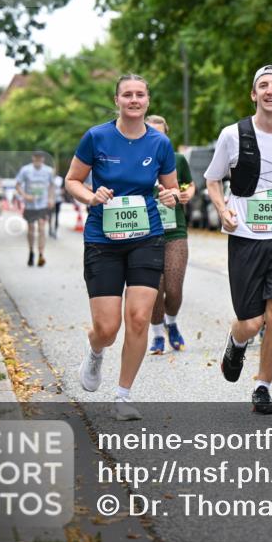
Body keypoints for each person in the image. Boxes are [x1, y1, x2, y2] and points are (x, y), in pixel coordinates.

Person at [64, 74, 181, 421]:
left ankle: (123, 395)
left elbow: (172, 192)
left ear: (147, 100)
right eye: (127, 94)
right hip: (103, 240)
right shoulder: (97, 137)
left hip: (146, 237)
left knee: (140, 317)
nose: (134, 100)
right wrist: (91, 195)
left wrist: (171, 196)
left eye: (140, 95)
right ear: (116, 100)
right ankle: (96, 351)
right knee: (107, 328)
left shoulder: (160, 144)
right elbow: (72, 180)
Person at [205, 65, 272, 415]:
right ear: (254, 94)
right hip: (245, 238)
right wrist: (223, 209)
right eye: (263, 85)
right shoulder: (232, 135)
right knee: (251, 322)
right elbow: (213, 179)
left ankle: (262, 386)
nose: (270, 90)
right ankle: (237, 343)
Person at [145, 115, 195, 354]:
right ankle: (156, 335)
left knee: (173, 289)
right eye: (150, 133)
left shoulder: (177, 160)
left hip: (175, 231)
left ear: (166, 136)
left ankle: (171, 323)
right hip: (146, 234)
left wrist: (187, 194)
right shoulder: (136, 161)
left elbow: (189, 184)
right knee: (155, 289)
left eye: (160, 134)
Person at [15, 151, 55, 267]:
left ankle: (41, 254)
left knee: (42, 228)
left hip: (42, 205)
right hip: (30, 206)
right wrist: (25, 196)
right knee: (31, 229)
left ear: (43, 159)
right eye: (36, 157)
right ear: (33, 158)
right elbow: (17, 185)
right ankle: (31, 251)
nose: (38, 160)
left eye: (40, 158)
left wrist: (51, 198)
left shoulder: (48, 171)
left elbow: (52, 185)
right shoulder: (25, 170)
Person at [50, 173, 64, 239]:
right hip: (50, 200)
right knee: (50, 215)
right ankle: (50, 228)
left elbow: (63, 188)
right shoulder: (49, 178)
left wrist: (62, 192)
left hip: (58, 200)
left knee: (57, 216)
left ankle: (55, 231)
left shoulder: (60, 179)